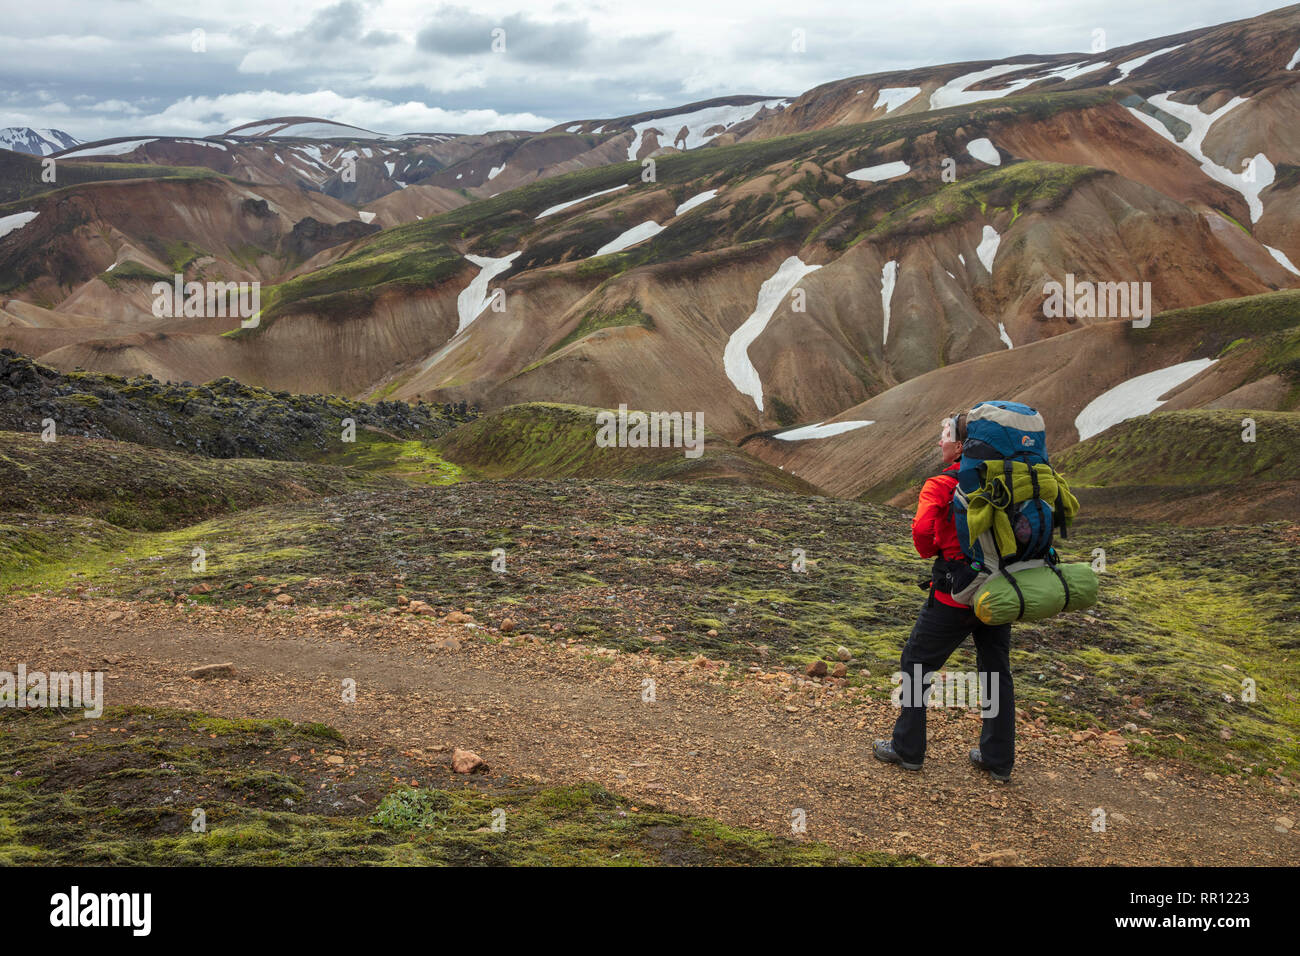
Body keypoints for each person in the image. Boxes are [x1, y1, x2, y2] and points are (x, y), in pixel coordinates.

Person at [873, 412, 1016, 782]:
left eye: (945, 436)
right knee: (996, 670)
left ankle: (908, 749)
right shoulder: (1007, 479)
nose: (940, 442)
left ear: (961, 444)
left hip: (954, 594)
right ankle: (997, 759)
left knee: (917, 663)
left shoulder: (941, 483)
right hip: (999, 592)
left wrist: (936, 546)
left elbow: (921, 530)